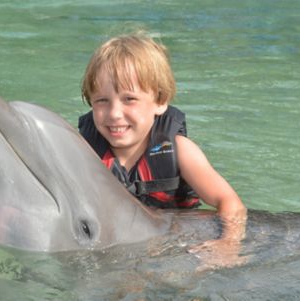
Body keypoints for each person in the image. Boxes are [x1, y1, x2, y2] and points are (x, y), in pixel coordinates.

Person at [78, 32, 247, 269]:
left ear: (160, 101)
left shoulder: (180, 150)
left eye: (129, 99)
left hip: (176, 247)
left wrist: (228, 245)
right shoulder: (85, 151)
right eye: (102, 101)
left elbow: (229, 202)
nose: (115, 113)